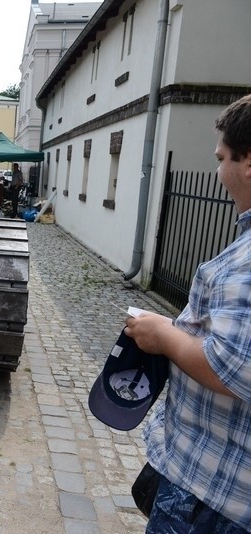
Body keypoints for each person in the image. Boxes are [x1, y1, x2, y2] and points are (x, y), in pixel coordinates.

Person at [125, 93, 251, 533]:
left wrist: (164, 335)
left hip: (213, 495)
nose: (218, 172)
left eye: (222, 158)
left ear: (248, 161)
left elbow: (233, 366)